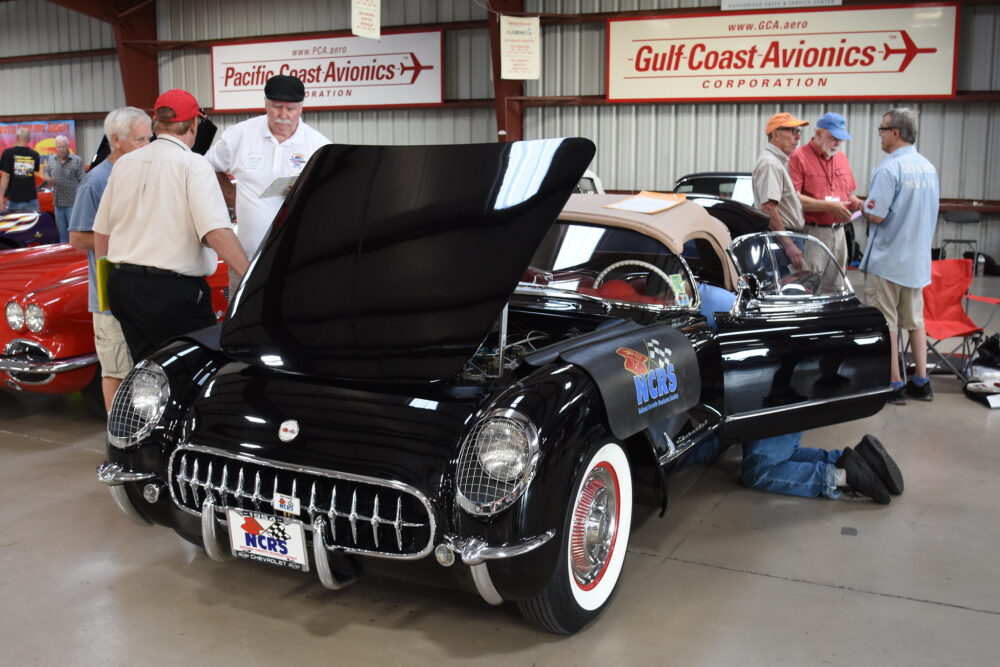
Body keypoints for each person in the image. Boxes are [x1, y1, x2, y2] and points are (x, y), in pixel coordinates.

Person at [689, 282, 904, 505]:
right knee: (775, 456)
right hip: (781, 393)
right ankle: (853, 460)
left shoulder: (695, 304)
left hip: (772, 399)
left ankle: (843, 477)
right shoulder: (717, 294)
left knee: (759, 472)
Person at [92, 89, 250, 362]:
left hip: (122, 287)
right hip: (172, 294)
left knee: (144, 373)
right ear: (193, 124)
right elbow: (216, 232)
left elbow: (102, 233)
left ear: (156, 122)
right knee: (193, 372)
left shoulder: (124, 164)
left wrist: (108, 288)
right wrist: (251, 276)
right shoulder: (193, 165)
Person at [205, 74, 330, 288]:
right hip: (245, 260)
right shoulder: (240, 136)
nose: (283, 115)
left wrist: (306, 193)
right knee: (242, 319)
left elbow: (329, 196)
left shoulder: (319, 146)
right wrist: (230, 196)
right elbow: (207, 167)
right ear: (265, 104)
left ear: (301, 108)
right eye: (276, 107)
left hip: (296, 260)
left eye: (290, 109)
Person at [68, 107, 152, 411]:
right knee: (117, 369)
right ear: (116, 140)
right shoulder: (96, 182)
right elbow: (77, 237)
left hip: (142, 292)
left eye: (149, 138)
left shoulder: (147, 173)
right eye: (139, 139)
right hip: (109, 297)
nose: (146, 145)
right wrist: (123, 241)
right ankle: (118, 436)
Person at [860, 108, 940, 404]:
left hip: (889, 261)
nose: (880, 135)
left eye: (882, 129)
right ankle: (922, 380)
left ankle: (893, 383)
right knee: (915, 321)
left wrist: (861, 205)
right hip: (916, 262)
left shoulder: (889, 169)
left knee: (887, 323)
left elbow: (877, 215)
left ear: (895, 133)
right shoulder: (927, 167)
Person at [788, 112, 863, 293]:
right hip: (813, 233)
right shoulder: (799, 157)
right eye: (833, 138)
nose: (837, 143)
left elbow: (848, 196)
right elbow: (793, 198)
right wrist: (828, 207)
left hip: (839, 234)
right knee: (808, 285)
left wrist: (863, 206)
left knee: (836, 286)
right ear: (819, 133)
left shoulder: (841, 159)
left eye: (840, 139)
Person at [751, 112, 809, 270]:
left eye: (799, 132)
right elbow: (769, 208)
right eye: (792, 131)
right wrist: (789, 245)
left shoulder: (778, 161)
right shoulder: (770, 163)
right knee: (786, 290)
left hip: (784, 238)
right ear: (776, 134)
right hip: (781, 241)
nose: (797, 137)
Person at [44, 135, 86, 243]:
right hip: (58, 204)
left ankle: (77, 255)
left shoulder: (76, 160)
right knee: (62, 234)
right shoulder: (51, 159)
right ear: (55, 148)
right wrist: (48, 179)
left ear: (68, 146)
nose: (61, 149)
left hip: (72, 203)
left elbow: (83, 180)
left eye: (63, 146)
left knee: (75, 232)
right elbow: (46, 172)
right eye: (59, 147)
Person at [0, 127, 41, 211]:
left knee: (16, 224)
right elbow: (34, 173)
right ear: (29, 139)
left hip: (14, 200)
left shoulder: (8, 153)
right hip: (32, 199)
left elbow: (5, 176)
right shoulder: (34, 155)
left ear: (17, 137)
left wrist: (0, 198)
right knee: (33, 224)